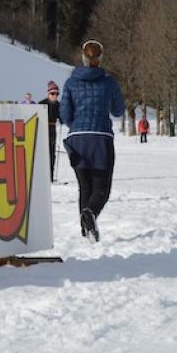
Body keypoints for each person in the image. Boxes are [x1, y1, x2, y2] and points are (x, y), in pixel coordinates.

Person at [59, 39, 125, 242]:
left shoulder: (70, 82)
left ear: (83, 57)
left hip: (77, 139)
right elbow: (118, 110)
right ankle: (90, 214)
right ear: (100, 58)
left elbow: (65, 114)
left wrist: (77, 125)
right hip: (100, 138)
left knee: (84, 187)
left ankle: (85, 230)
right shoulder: (109, 82)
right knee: (101, 188)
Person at [38, 81, 61, 183]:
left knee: (52, 153)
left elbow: (63, 118)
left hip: (52, 129)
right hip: (42, 130)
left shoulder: (59, 105)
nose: (55, 96)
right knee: (42, 153)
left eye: (57, 94)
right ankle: (40, 176)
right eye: (52, 93)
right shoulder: (42, 104)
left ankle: (50, 177)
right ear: (48, 94)